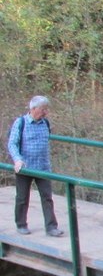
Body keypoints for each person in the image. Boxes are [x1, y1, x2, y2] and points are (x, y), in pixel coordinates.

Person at [7, 95, 62, 236]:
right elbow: (12, 143)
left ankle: (51, 227)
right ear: (33, 109)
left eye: (46, 109)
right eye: (43, 109)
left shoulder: (46, 123)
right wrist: (17, 159)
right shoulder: (21, 123)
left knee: (47, 197)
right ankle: (21, 224)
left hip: (43, 168)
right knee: (22, 197)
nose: (45, 112)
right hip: (25, 167)